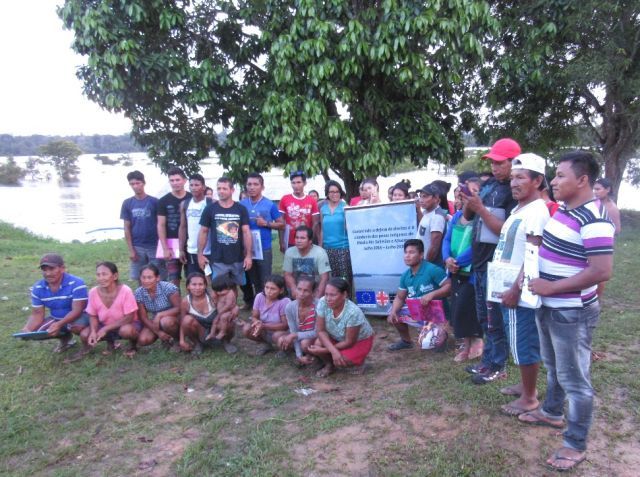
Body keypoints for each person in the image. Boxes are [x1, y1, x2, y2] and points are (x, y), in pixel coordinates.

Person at [525, 151, 614, 472]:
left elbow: (601, 270)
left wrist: (552, 287)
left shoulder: (595, 220)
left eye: (561, 175)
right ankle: (551, 411)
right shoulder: (563, 210)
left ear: (583, 180)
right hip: (549, 306)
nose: (554, 181)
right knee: (554, 366)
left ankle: (576, 443)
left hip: (572, 312)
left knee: (575, 380)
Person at [490, 154, 550, 415]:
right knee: (517, 340)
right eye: (512, 177)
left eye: (520, 178)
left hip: (520, 291)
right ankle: (526, 386)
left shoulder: (537, 212)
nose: (514, 183)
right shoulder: (519, 209)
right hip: (506, 286)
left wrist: (516, 288)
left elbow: (533, 254)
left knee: (524, 342)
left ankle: (529, 397)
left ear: (537, 181)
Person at [462, 138, 520, 385]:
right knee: (484, 317)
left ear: (513, 163)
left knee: (495, 316)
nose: (495, 167)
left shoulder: (515, 193)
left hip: (498, 264)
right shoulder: (489, 186)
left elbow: (505, 231)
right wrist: (470, 202)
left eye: (500, 163)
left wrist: (481, 209)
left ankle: (498, 365)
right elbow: (468, 217)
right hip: (479, 262)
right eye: (492, 162)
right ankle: (487, 360)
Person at [443, 177, 483, 362]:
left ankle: (477, 342)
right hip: (455, 270)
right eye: (461, 195)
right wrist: (447, 259)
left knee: (470, 307)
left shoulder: (483, 218)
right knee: (458, 307)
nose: (463, 198)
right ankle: (465, 345)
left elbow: (478, 245)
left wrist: (457, 261)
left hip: (471, 271)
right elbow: (447, 239)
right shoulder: (458, 216)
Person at [386, 239, 451, 351]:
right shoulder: (405, 275)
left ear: (421, 255)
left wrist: (432, 294)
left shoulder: (433, 270)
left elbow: (449, 286)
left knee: (434, 346)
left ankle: (441, 333)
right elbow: (400, 297)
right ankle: (406, 341)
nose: (407, 256)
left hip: (436, 313)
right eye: (406, 252)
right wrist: (393, 312)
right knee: (393, 314)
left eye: (411, 252)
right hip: (417, 311)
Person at [69, 262, 141, 361]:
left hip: (126, 324)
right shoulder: (93, 292)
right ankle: (110, 344)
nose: (101, 278)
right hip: (105, 325)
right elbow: (92, 315)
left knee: (126, 331)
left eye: (104, 274)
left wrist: (105, 329)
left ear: (115, 276)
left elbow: (129, 317)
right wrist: (94, 331)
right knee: (85, 335)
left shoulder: (125, 291)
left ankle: (133, 345)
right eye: (98, 275)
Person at [21, 253, 89, 353]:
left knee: (76, 327)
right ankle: (65, 338)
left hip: (79, 316)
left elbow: (77, 310)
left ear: (62, 268)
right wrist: (27, 329)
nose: (48, 273)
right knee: (36, 333)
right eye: (44, 270)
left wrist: (59, 324)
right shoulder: (38, 288)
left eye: (52, 269)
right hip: (56, 318)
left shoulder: (77, 283)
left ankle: (88, 338)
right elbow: (37, 313)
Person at [307, 278, 374, 377]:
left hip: (359, 340)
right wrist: (333, 351)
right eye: (326, 294)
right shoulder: (322, 302)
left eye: (333, 295)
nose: (328, 298)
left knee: (343, 359)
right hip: (336, 336)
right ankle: (329, 365)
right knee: (318, 343)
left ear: (344, 295)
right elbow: (320, 331)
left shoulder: (353, 312)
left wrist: (325, 350)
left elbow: (349, 342)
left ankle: (359, 363)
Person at [239, 172, 285, 308]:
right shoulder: (241, 204)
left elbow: (282, 224)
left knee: (265, 278)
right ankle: (257, 303)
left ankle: (268, 304)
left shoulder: (269, 204)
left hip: (264, 248)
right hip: (247, 249)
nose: (252, 187)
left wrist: (266, 224)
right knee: (252, 278)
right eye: (249, 184)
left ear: (262, 187)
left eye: (255, 184)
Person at [197, 177, 253, 287]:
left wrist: (249, 255)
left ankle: (235, 304)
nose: (221, 191)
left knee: (237, 286)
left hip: (237, 257)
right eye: (219, 188)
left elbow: (246, 232)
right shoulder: (210, 208)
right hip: (218, 258)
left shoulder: (241, 209)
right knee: (219, 288)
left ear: (232, 190)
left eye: (224, 188)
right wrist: (200, 254)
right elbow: (203, 231)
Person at [179, 273, 239, 354]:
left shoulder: (214, 295)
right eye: (194, 284)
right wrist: (182, 340)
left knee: (228, 317)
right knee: (186, 320)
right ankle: (198, 344)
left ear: (205, 286)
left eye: (201, 284)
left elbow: (230, 303)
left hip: (219, 327)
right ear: (188, 286)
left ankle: (226, 341)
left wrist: (235, 308)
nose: (197, 288)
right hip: (202, 332)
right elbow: (182, 322)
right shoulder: (186, 302)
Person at [120, 170, 163, 284]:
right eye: (132, 184)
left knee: (156, 275)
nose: (135, 186)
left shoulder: (154, 202)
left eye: (138, 183)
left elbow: (161, 224)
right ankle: (141, 300)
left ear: (143, 183)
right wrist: (131, 250)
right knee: (140, 277)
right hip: (137, 245)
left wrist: (162, 245)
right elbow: (127, 228)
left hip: (154, 245)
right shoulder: (127, 203)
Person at [157, 167, 191, 286]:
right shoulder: (163, 201)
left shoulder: (192, 199)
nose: (175, 183)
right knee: (173, 278)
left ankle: (190, 303)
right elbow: (160, 225)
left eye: (177, 180)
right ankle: (175, 303)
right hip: (171, 243)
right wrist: (165, 247)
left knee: (192, 277)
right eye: (172, 180)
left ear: (184, 181)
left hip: (190, 243)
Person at [135, 264, 181, 349]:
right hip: (156, 321)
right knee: (143, 340)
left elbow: (179, 308)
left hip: (174, 318)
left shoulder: (168, 288)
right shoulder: (139, 292)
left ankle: (177, 339)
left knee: (166, 322)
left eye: (150, 277)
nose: (146, 281)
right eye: (143, 277)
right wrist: (158, 332)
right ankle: (165, 339)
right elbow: (143, 317)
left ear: (157, 278)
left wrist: (160, 315)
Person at [242, 275, 291, 355]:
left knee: (276, 335)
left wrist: (264, 326)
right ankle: (266, 344)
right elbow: (254, 316)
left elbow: (285, 325)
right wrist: (257, 323)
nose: (268, 291)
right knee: (246, 329)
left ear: (281, 290)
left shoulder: (285, 302)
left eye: (273, 289)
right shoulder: (259, 297)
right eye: (267, 287)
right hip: (264, 329)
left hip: (282, 331)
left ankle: (284, 349)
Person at [318, 180, 353, 285]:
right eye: (331, 192)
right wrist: (320, 247)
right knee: (331, 279)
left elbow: (350, 228)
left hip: (343, 248)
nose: (334, 194)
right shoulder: (323, 209)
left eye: (337, 191)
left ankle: (347, 300)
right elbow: (322, 230)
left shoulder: (345, 207)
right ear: (327, 194)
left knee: (344, 278)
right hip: (328, 249)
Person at [283, 225, 331, 299]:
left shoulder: (320, 253)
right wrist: (294, 288)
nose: (298, 241)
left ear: (310, 241)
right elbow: (287, 274)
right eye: (297, 238)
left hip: (315, 288)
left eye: (302, 238)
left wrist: (317, 297)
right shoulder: (289, 252)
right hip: (297, 287)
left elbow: (324, 278)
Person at [279, 275, 318, 365]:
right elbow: (293, 331)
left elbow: (318, 332)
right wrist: (299, 356)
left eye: (306, 290)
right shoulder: (290, 307)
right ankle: (303, 355)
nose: (301, 293)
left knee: (305, 344)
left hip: (316, 338)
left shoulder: (319, 305)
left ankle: (316, 357)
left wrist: (294, 335)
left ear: (313, 292)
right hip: (300, 337)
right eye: (299, 289)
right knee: (281, 340)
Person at [179, 174, 212, 276]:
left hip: (209, 250)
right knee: (194, 280)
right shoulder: (185, 204)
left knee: (211, 282)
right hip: (192, 249)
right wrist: (181, 249)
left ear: (203, 187)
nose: (193, 188)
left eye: (197, 185)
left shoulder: (211, 203)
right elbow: (183, 227)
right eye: (191, 185)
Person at [278, 171, 320, 253]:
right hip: (290, 241)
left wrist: (310, 239)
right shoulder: (284, 199)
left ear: (304, 183)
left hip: (306, 241)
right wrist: (281, 241)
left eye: (298, 182)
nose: (296, 185)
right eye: (293, 183)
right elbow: (280, 222)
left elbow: (315, 223)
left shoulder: (311, 200)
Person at [415, 184, 446, 268]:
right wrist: (418, 209)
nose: (421, 200)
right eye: (420, 196)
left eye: (425, 196)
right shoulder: (428, 212)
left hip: (431, 266)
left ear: (436, 198)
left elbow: (434, 247)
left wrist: (424, 267)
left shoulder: (437, 217)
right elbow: (425, 226)